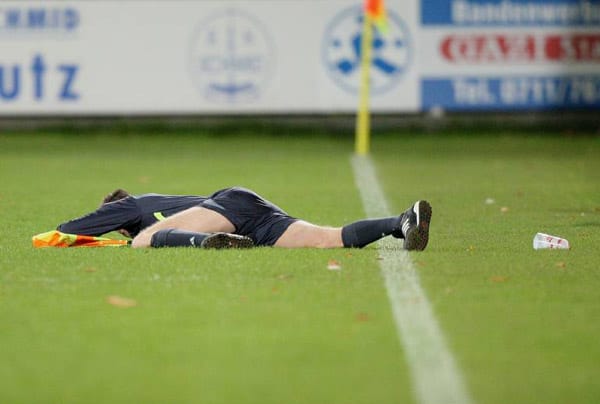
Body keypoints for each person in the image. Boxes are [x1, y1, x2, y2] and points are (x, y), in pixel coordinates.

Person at [57, 186, 432, 251]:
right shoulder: (164, 205)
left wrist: (54, 236)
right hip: (249, 213)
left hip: (229, 207)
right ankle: (401, 221)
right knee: (326, 239)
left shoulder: (134, 206)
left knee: (142, 242)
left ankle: (211, 244)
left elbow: (68, 230)